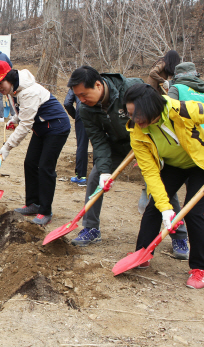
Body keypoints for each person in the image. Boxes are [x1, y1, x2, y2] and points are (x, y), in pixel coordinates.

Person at [66, 66, 188, 259]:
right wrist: (105, 170)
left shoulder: (130, 88)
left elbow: (155, 111)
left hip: (146, 141)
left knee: (160, 185)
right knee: (96, 177)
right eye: (77, 96)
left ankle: (179, 236)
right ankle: (91, 228)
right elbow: (98, 140)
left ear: (98, 85)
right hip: (117, 146)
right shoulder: (85, 108)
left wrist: (147, 143)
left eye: (84, 94)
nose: (81, 100)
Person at [124, 84, 204, 288]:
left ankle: (199, 268)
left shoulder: (184, 110)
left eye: (138, 115)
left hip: (200, 163)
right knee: (155, 207)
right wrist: (166, 207)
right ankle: (143, 252)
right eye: (131, 114)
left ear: (152, 109)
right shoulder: (137, 132)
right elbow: (150, 172)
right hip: (174, 165)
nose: (135, 121)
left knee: (194, 213)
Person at [0, 60, 71, 226]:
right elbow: (25, 112)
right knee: (30, 163)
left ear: (9, 78)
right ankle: (33, 203)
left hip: (56, 128)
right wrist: (15, 119)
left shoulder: (28, 91)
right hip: (40, 127)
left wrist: (7, 146)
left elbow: (26, 124)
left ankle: (45, 211)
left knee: (45, 167)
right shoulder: (13, 90)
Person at [63, 88, 89, 186]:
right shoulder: (94, 82)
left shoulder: (75, 85)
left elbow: (67, 103)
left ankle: (81, 177)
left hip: (81, 114)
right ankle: (99, 176)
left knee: (82, 145)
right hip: (97, 113)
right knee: (98, 144)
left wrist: (75, 115)